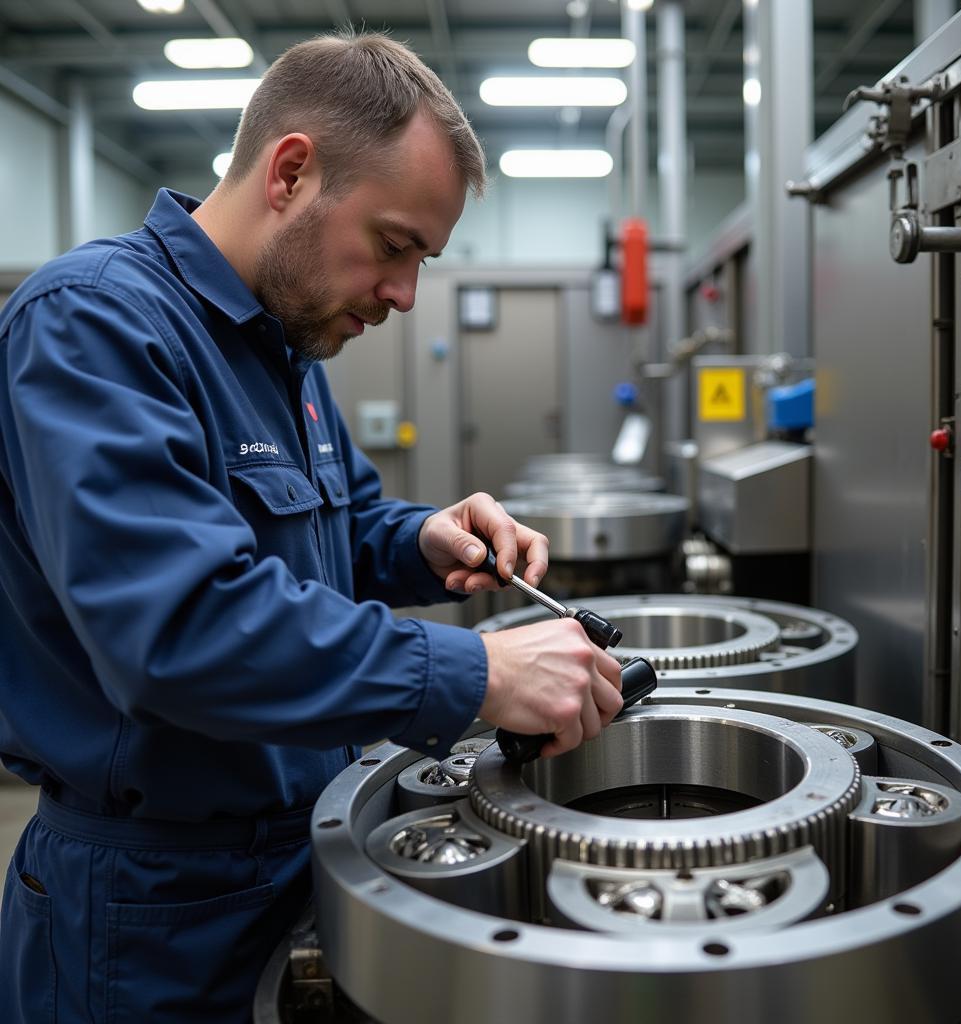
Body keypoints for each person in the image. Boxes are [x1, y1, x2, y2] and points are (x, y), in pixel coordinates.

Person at [0, 32, 623, 1022]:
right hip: (151, 913)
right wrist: (479, 675)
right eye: (393, 244)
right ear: (291, 172)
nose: (405, 294)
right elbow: (179, 630)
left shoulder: (283, 355)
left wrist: (423, 535)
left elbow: (335, 536)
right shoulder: (94, 327)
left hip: (298, 857)